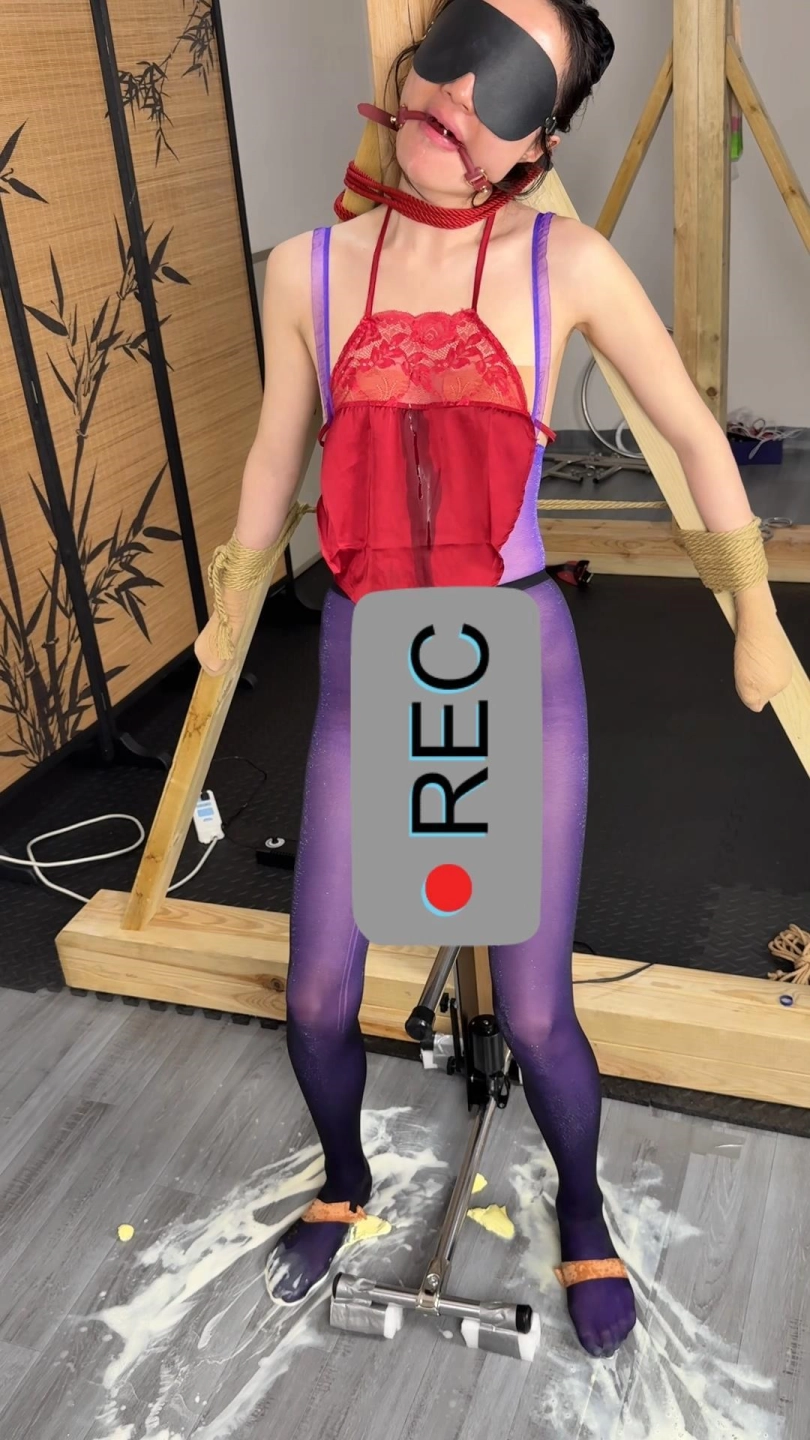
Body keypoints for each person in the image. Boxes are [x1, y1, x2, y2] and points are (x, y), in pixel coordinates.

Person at [194, 0, 792, 1359]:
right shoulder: (307, 270)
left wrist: (752, 610)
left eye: (509, 82)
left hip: (505, 657)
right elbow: (275, 454)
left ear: (541, 140)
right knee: (315, 994)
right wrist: (233, 600)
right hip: (367, 654)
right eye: (457, 49)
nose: (460, 95)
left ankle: (582, 1206)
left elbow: (693, 437)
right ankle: (344, 1182)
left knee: (532, 1007)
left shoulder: (563, 263)